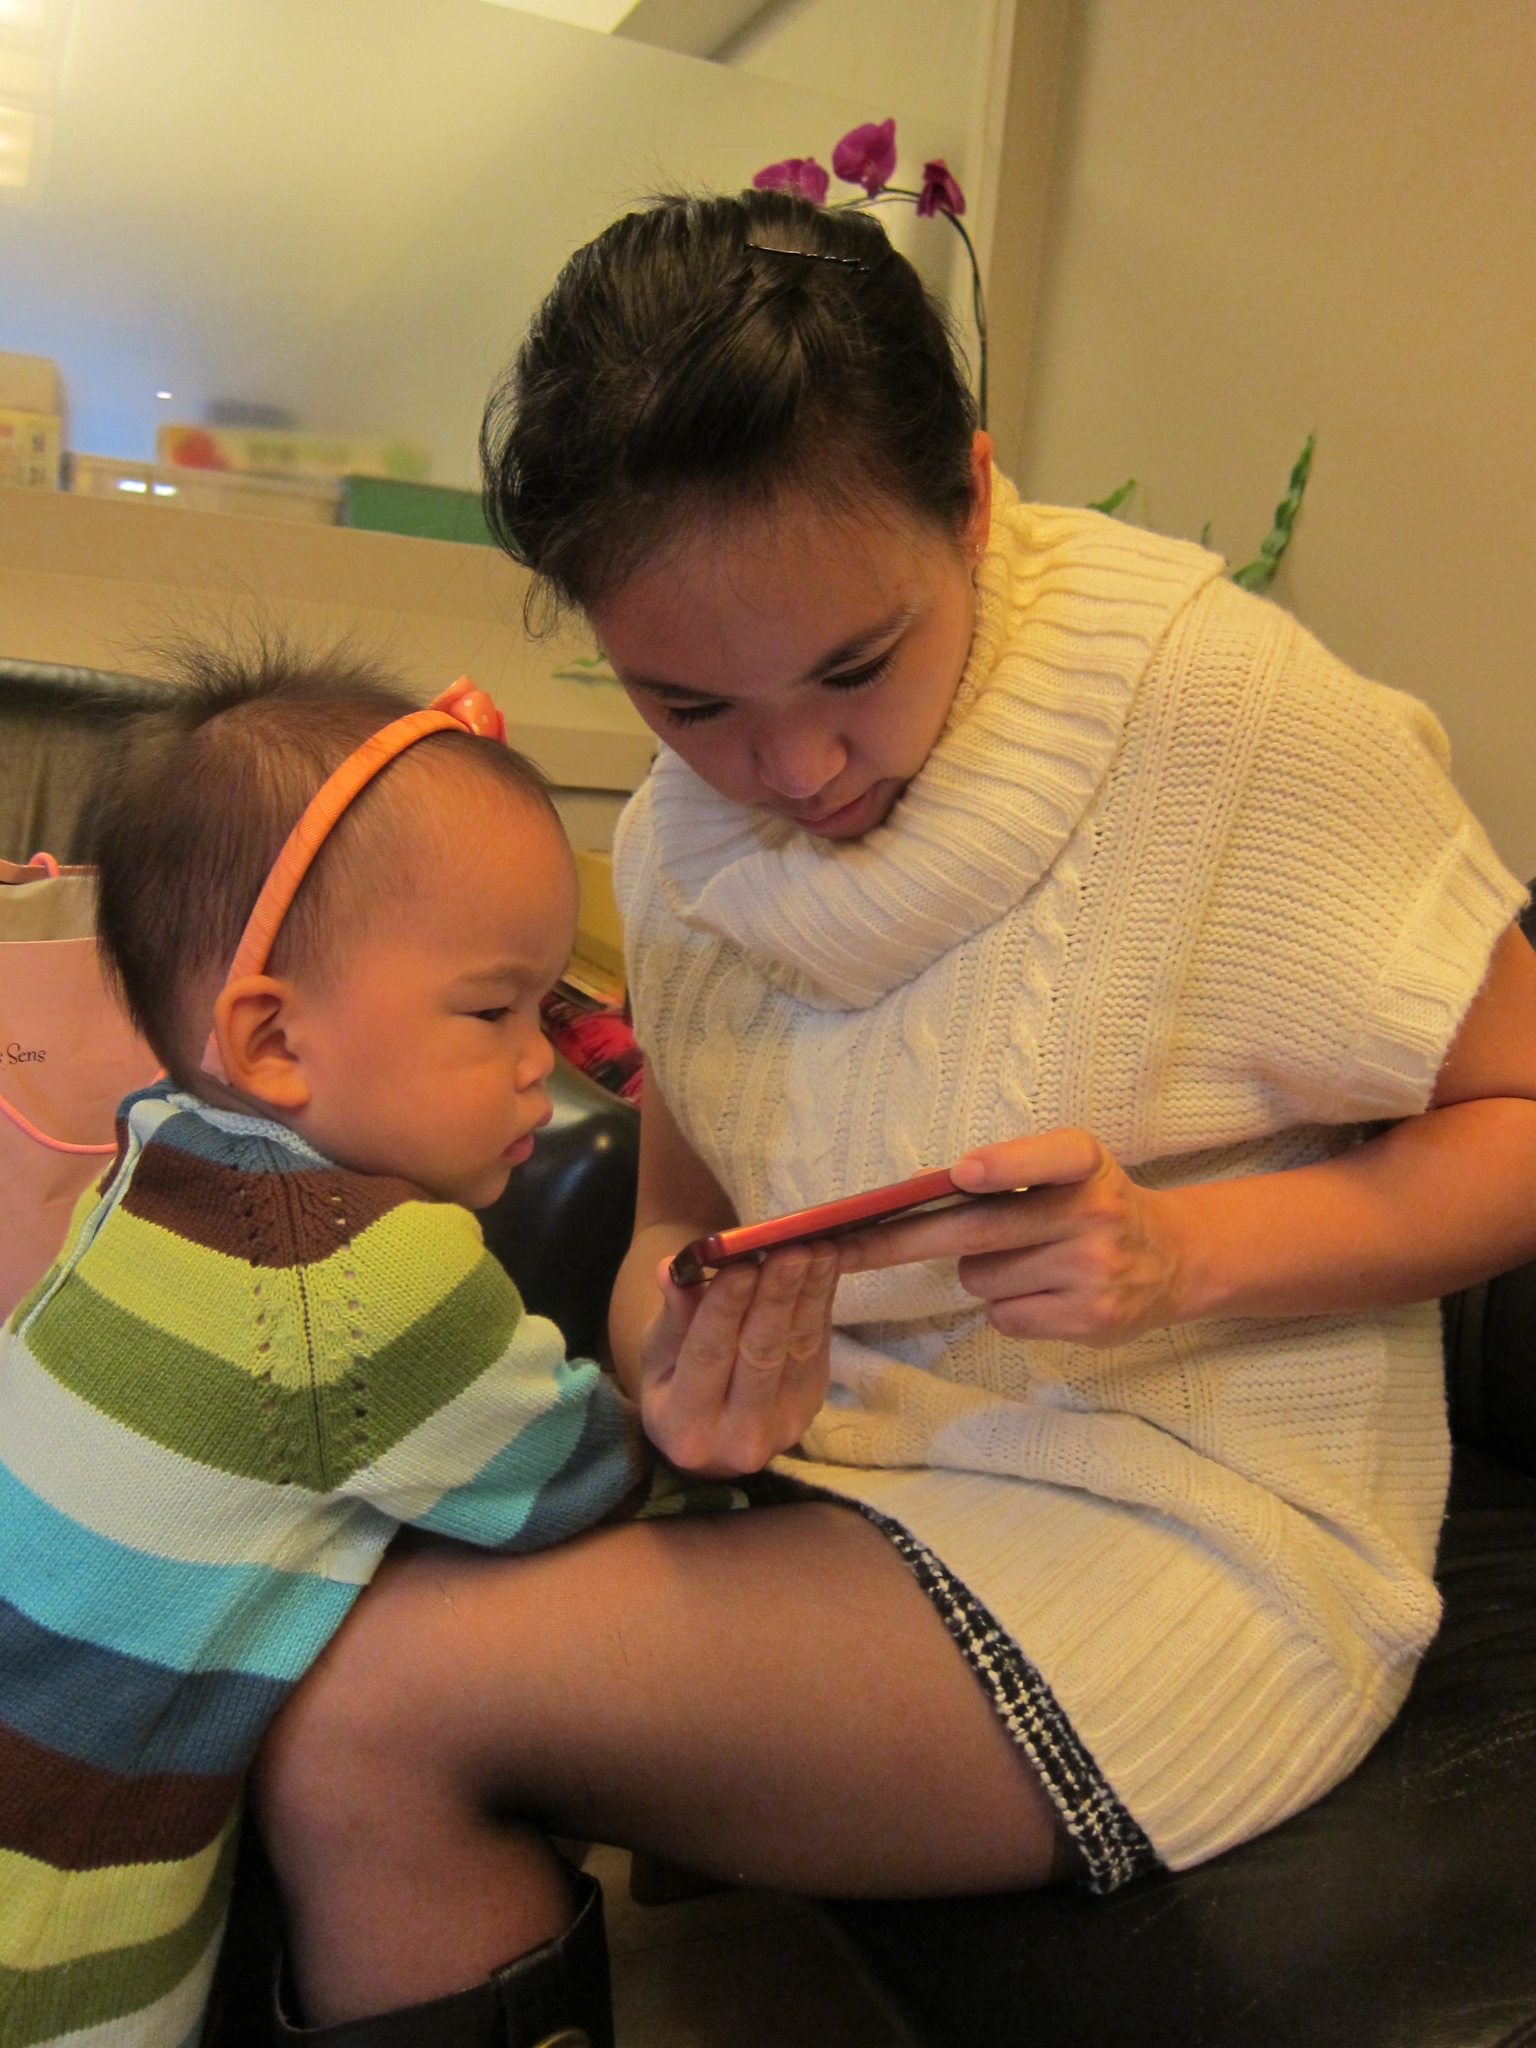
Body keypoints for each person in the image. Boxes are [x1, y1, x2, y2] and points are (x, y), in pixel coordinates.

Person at [254, 191, 1536, 2042]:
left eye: (856, 667)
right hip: (851, 1486)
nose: (792, 768)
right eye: (688, 700)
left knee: (363, 1719)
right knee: (279, 1613)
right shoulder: (678, 850)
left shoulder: (1216, 713)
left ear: (975, 503)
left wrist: (1182, 1252)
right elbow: (673, 1229)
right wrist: (683, 1364)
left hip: (1186, 1530)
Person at [0, 646, 840, 2048]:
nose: (542, 1061)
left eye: (551, 1010)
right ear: (274, 1039)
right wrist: (708, 1430)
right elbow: (579, 1484)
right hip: (68, 1949)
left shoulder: (147, 1158)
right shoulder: (361, 1279)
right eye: (493, 1010)